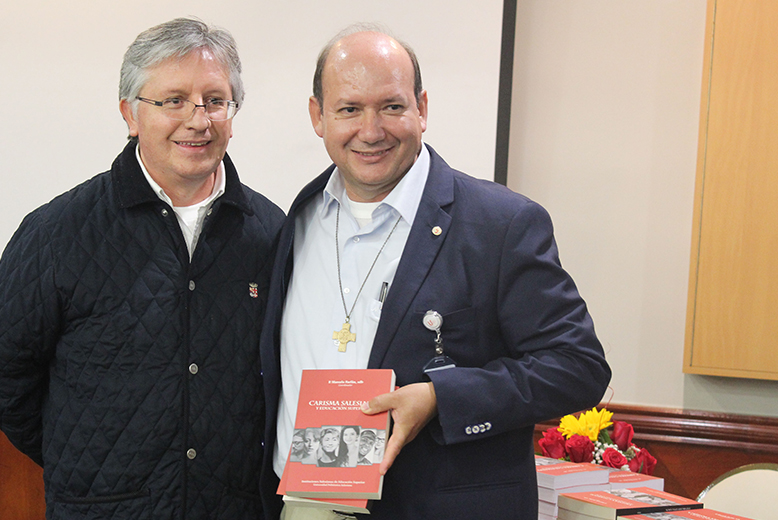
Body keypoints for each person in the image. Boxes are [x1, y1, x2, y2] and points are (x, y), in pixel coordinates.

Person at [259, 24, 611, 519]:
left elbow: (578, 367)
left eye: (392, 106)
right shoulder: (297, 219)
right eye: (349, 109)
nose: (371, 129)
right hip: (304, 504)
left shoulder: (501, 224)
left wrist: (441, 398)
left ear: (422, 108)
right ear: (318, 116)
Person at [0, 17, 283, 520]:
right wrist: (79, 457)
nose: (198, 120)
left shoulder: (270, 232)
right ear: (130, 114)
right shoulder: (58, 230)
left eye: (215, 100)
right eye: (173, 100)